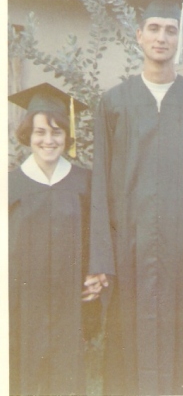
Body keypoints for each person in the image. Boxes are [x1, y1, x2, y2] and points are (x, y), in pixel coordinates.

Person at [83, 0, 183, 395]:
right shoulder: (114, 103)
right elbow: (100, 188)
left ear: (180, 38)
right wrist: (101, 259)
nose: (162, 37)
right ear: (139, 35)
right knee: (128, 359)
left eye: (170, 30)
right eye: (154, 29)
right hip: (129, 253)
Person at [8, 83, 93, 395]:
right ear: (28, 135)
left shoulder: (84, 182)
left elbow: (95, 239)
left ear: (67, 137)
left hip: (67, 302)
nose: (48, 140)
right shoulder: (11, 186)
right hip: (22, 302)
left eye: (57, 132)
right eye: (40, 132)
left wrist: (95, 275)